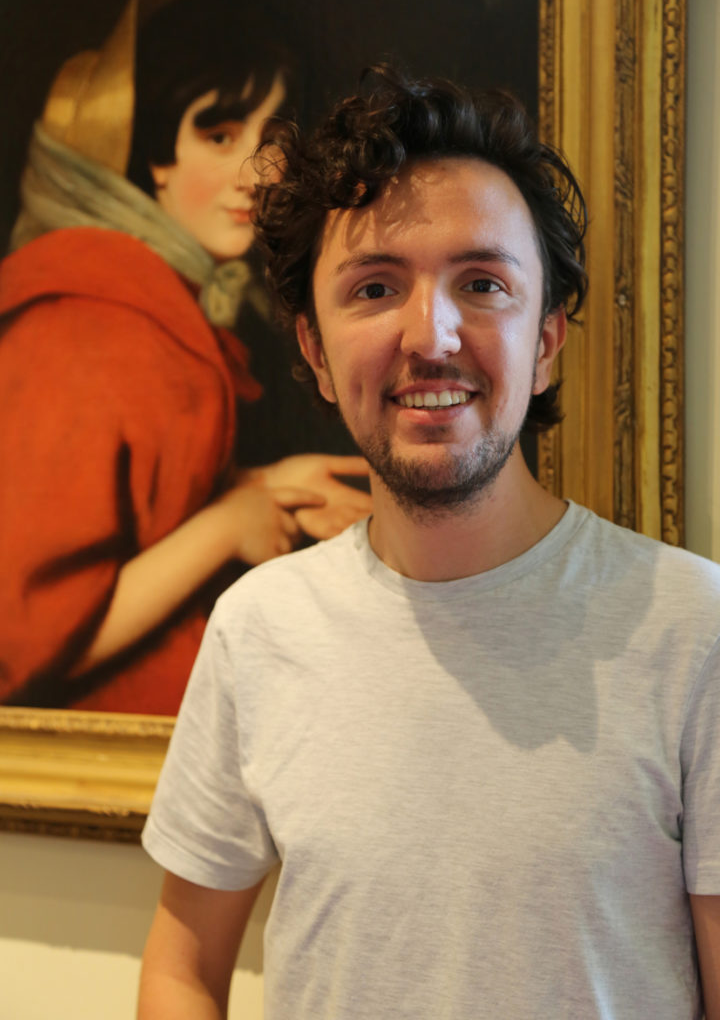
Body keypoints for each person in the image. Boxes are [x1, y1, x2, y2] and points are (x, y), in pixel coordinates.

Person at [138, 67, 720, 1018]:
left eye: (482, 283)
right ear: (317, 353)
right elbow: (180, 969)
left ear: (545, 341)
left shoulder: (694, 630)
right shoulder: (260, 627)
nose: (432, 334)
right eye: (375, 287)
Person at [0, 0, 370, 714]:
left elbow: (131, 513)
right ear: (152, 153)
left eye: (269, 136)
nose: (255, 173)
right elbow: (18, 647)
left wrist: (259, 487)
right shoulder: (84, 331)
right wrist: (224, 527)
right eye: (219, 132)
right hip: (90, 770)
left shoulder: (151, 307)